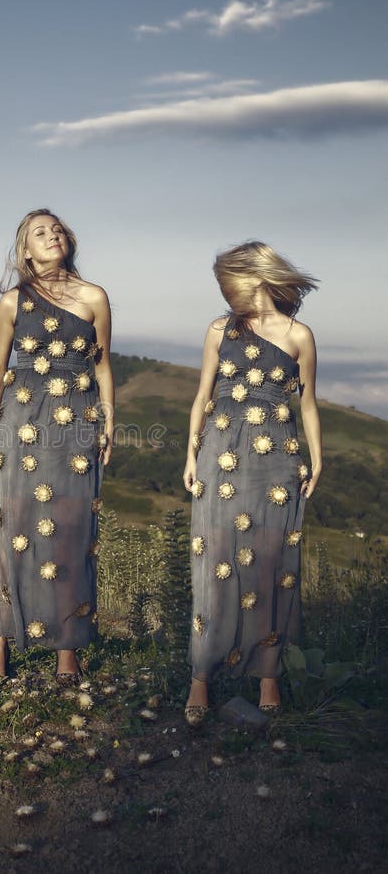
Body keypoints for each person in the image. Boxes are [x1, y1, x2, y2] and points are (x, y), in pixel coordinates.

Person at [182, 241, 321, 725]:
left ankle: (268, 675)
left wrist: (316, 459)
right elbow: (202, 395)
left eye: (229, 282)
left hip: (278, 461)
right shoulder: (220, 330)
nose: (225, 293)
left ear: (255, 276)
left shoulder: (299, 335)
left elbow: (307, 404)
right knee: (214, 561)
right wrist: (190, 453)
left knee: (273, 563)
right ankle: (201, 675)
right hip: (219, 455)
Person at [0, 209, 114, 688]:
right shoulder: (12, 302)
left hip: (77, 422)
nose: (52, 235)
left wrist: (108, 422)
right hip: (20, 422)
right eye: (41, 232)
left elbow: (102, 367)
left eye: (57, 229)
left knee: (71, 530)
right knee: (12, 526)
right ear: (25, 251)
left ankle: (67, 646)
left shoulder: (94, 297)